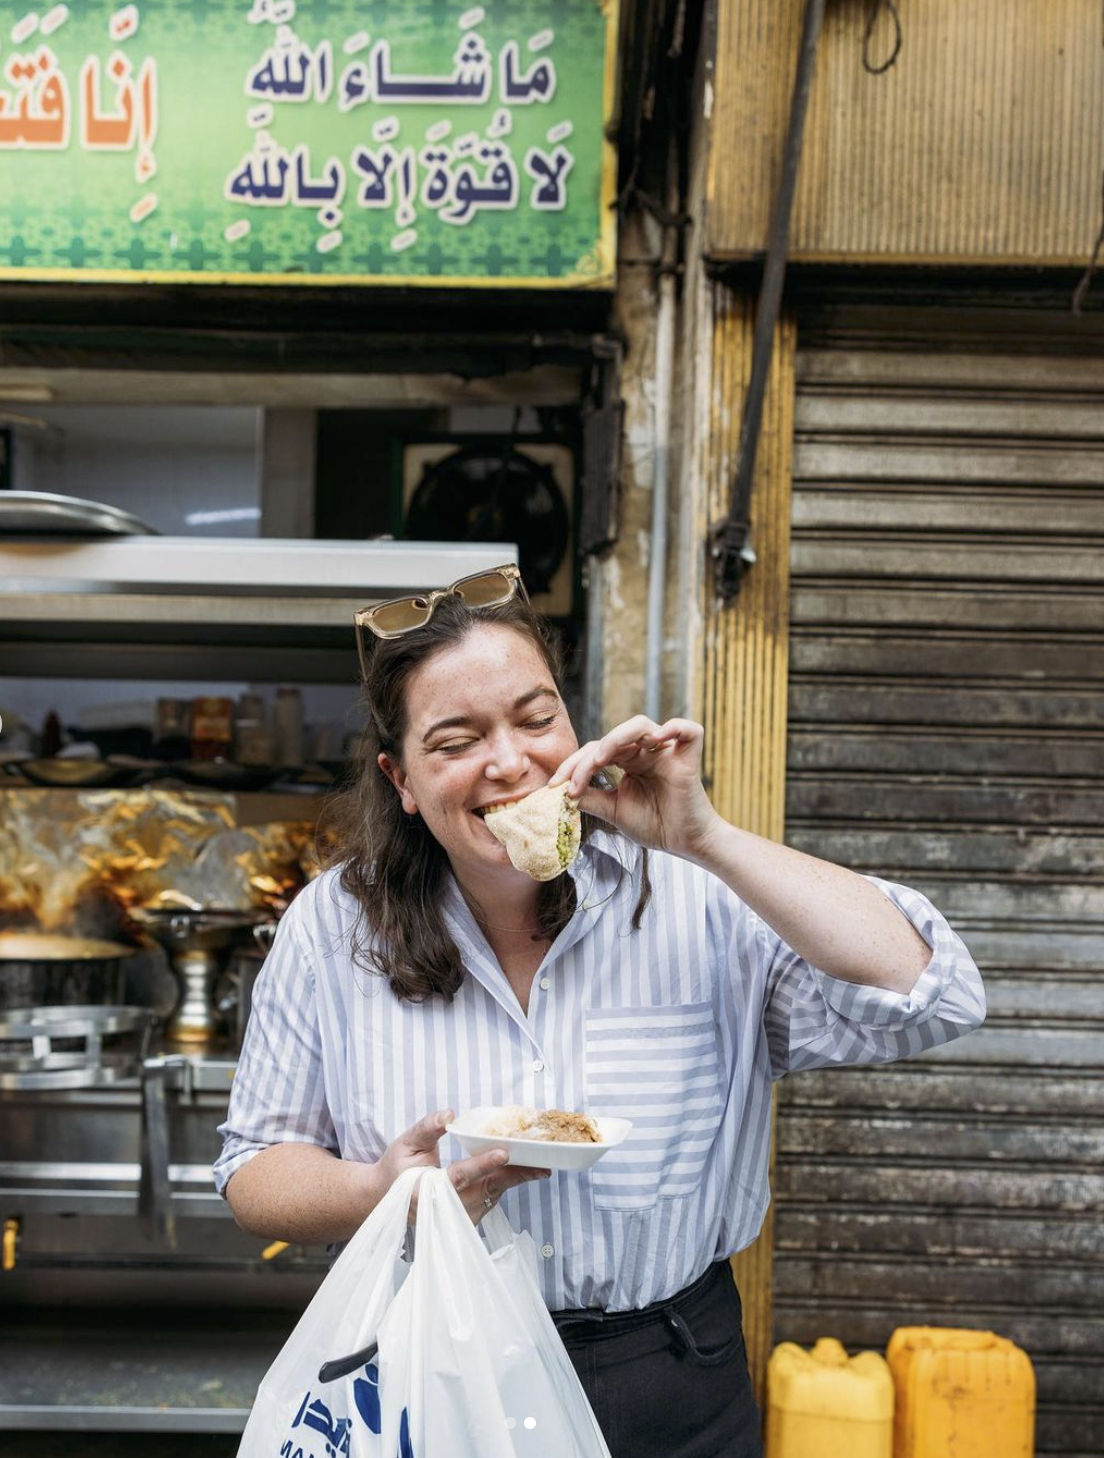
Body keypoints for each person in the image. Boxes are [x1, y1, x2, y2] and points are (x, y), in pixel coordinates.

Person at [216, 563, 985, 1458]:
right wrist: (378, 1191)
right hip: (434, 1370)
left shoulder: (697, 894)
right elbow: (253, 1169)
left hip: (670, 1376)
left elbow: (934, 996)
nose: (511, 761)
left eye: (537, 719)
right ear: (403, 782)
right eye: (457, 740)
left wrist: (707, 838)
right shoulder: (331, 926)